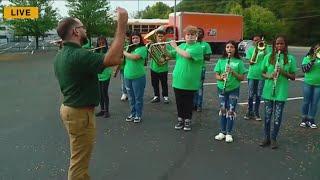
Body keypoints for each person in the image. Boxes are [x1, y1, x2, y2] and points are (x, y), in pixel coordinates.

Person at [53, 7, 128, 179]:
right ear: (75, 31)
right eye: (83, 27)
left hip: (72, 110)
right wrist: (122, 25)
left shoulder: (62, 53)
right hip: (79, 114)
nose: (85, 30)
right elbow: (114, 59)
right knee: (79, 163)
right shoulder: (78, 55)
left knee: (80, 158)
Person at [259, 35, 297, 149]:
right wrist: (270, 75)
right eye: (277, 44)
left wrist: (283, 72)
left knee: (277, 117)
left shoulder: (290, 58)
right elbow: (262, 73)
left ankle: (274, 138)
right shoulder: (268, 57)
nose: (279, 46)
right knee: (267, 116)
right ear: (274, 45)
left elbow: (293, 76)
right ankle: (266, 138)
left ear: (285, 45)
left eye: (282, 44)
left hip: (281, 91)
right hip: (268, 91)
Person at [169, 25, 204, 131]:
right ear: (185, 36)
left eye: (192, 35)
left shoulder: (198, 47)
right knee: (179, 101)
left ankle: (187, 120)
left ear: (196, 36)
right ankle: (180, 119)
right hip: (178, 79)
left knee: (188, 102)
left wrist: (175, 47)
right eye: (188, 34)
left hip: (190, 81)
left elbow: (187, 55)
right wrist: (162, 50)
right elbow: (171, 55)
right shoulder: (182, 45)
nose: (190, 36)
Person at [214, 40, 246, 143]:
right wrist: (221, 77)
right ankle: (222, 132)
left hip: (233, 89)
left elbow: (241, 78)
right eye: (227, 47)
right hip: (222, 88)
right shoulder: (221, 60)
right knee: (223, 109)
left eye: (231, 47)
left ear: (235, 49)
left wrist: (232, 72)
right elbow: (216, 75)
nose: (229, 49)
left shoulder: (239, 62)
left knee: (231, 110)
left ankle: (229, 133)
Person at [244, 35, 272, 120]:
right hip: (252, 75)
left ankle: (256, 112)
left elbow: (269, 60)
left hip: (261, 75)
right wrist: (256, 51)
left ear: (261, 40)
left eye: (257, 40)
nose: (256, 42)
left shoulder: (266, 49)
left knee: (259, 95)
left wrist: (264, 50)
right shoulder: (250, 50)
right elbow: (251, 62)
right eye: (254, 40)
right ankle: (249, 112)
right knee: (250, 95)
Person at [123, 31, 148, 123]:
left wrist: (123, 52)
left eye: (136, 38)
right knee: (131, 97)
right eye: (133, 38)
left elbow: (135, 57)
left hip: (138, 77)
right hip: (127, 76)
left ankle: (138, 114)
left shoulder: (142, 48)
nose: (135, 40)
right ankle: (132, 113)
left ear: (140, 39)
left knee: (138, 98)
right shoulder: (129, 48)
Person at [300, 43, 320, 129]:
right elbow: (305, 70)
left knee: (315, 103)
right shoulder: (307, 58)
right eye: (317, 49)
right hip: (308, 83)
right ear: (313, 49)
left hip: (318, 84)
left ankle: (311, 120)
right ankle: (304, 119)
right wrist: (312, 61)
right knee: (306, 102)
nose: (317, 50)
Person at [193, 27, 212, 112]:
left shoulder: (206, 45)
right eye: (197, 32)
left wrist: (197, 54)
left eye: (200, 32)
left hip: (201, 68)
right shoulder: (191, 44)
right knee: (191, 87)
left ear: (203, 35)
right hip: (191, 68)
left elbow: (208, 57)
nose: (199, 33)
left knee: (199, 87)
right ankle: (193, 104)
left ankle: (199, 105)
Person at [150, 30, 170, 104]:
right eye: (159, 36)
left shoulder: (167, 45)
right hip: (154, 68)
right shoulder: (153, 45)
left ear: (165, 37)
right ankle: (156, 96)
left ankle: (165, 97)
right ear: (156, 37)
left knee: (164, 83)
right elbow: (150, 55)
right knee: (154, 83)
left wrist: (165, 58)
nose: (160, 38)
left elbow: (170, 56)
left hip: (163, 69)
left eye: (162, 36)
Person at [95, 36, 112, 118]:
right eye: (99, 42)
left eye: (103, 42)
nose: (101, 44)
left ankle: (107, 111)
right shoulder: (96, 52)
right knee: (99, 93)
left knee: (104, 93)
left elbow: (108, 62)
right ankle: (102, 110)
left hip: (106, 74)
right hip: (98, 75)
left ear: (105, 43)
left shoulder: (108, 52)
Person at [114, 30, 131, 101]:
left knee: (130, 80)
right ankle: (124, 93)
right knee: (123, 80)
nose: (127, 39)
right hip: (123, 65)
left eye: (128, 37)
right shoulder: (122, 43)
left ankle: (129, 93)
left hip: (130, 65)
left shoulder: (132, 44)